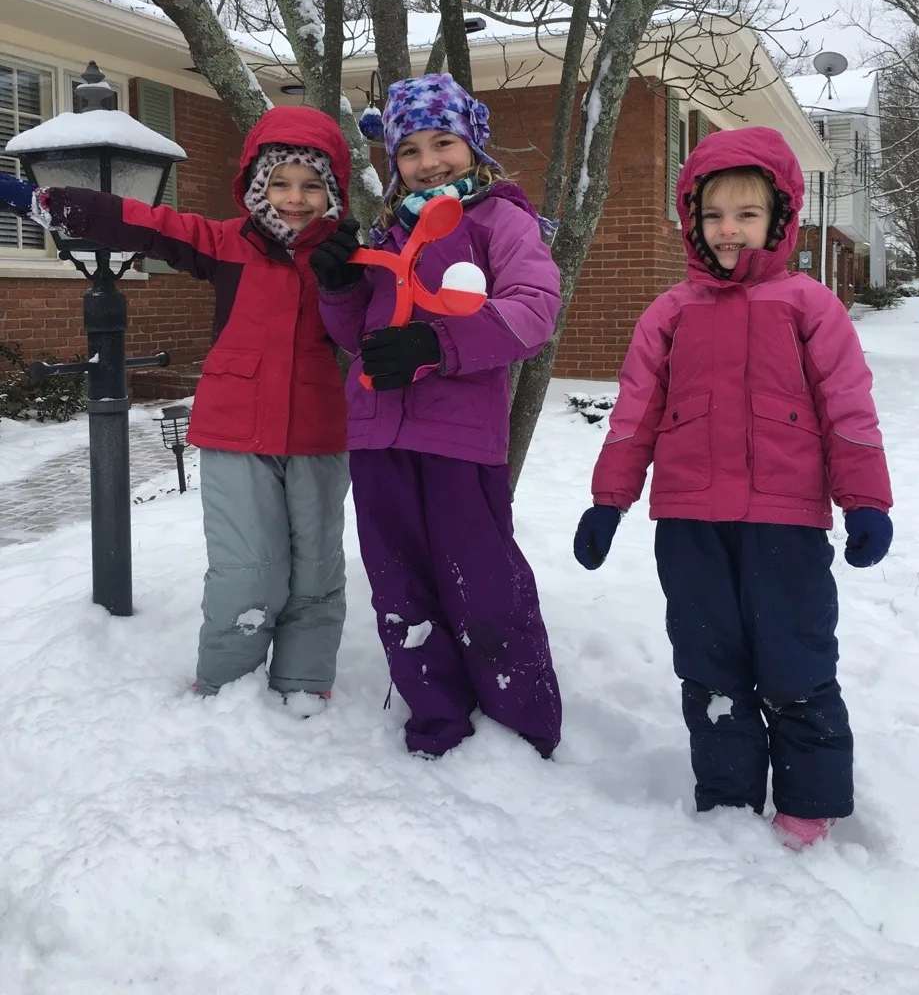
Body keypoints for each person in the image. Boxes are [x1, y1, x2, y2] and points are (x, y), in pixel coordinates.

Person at [572, 126, 894, 850]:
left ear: (780, 219)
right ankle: (726, 797)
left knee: (796, 662)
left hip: (785, 524)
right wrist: (608, 500)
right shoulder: (670, 313)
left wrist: (866, 501)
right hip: (690, 523)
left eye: (747, 215)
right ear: (692, 220)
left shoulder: (810, 307)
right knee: (709, 662)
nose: (729, 230)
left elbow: (849, 406)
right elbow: (633, 416)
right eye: (715, 214)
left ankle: (809, 804)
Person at [0, 107, 352, 704]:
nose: (295, 199)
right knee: (249, 571)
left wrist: (346, 278)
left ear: (334, 190)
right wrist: (41, 200)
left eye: (312, 185)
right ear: (256, 187)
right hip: (236, 433)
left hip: (319, 433)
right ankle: (227, 690)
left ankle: (304, 686)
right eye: (280, 183)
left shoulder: (347, 257)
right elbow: (141, 220)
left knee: (317, 572)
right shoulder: (225, 245)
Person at [310, 71, 562, 758]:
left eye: (443, 141)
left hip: (458, 443)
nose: (428, 160)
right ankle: (437, 722)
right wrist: (337, 286)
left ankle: (521, 726)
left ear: (474, 144)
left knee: (483, 587)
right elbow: (356, 332)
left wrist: (438, 343)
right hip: (377, 436)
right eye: (411, 149)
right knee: (400, 590)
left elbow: (533, 311)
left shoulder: (500, 221)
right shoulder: (390, 232)